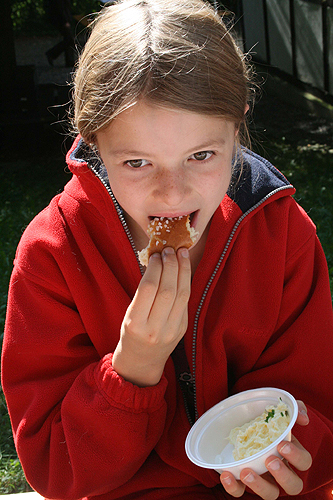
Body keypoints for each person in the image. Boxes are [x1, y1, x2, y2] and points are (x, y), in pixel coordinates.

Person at [2, 0, 333, 499]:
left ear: (238, 125)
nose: (172, 193)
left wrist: (284, 451)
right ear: (92, 141)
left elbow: (317, 412)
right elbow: (55, 470)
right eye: (137, 162)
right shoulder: (55, 254)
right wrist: (134, 365)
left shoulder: (281, 235)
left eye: (201, 155)